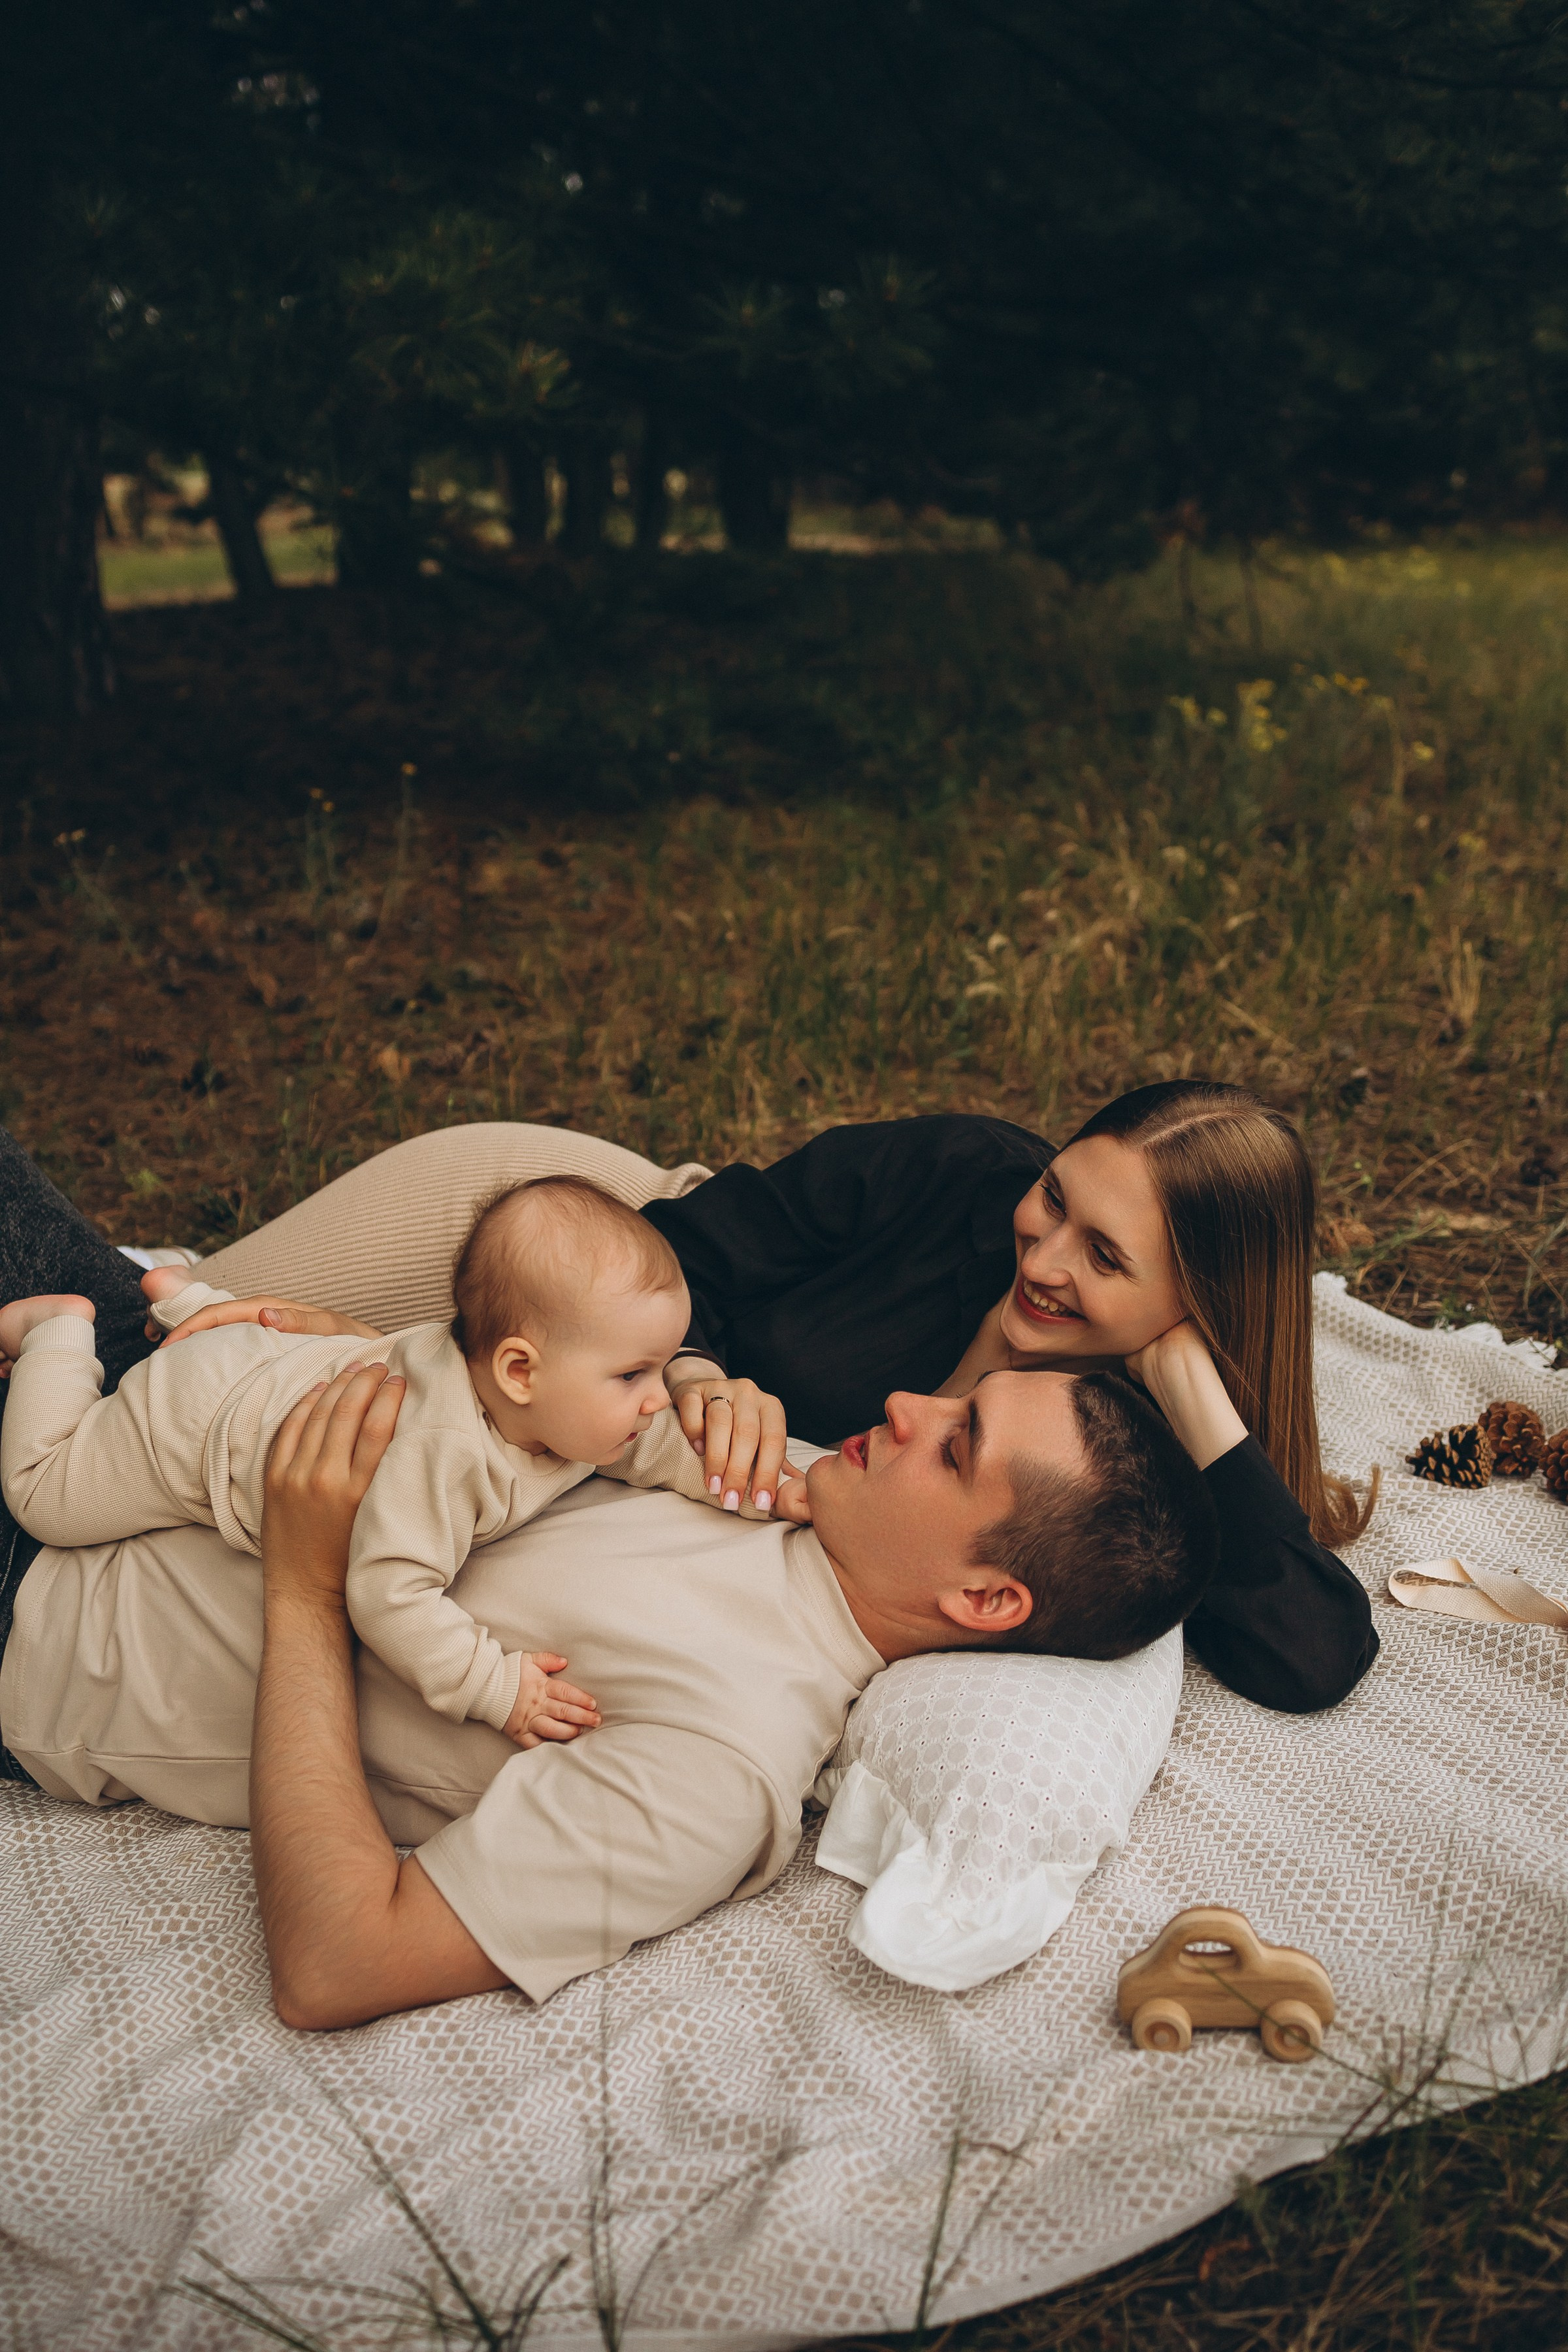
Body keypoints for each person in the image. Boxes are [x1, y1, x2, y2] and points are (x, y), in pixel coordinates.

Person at [0, 1077, 1379, 1711]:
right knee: (162, 1332)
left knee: (130, 1346)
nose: (1045, 1252)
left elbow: (1310, 1653)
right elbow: (695, 1246)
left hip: (551, 1384)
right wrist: (697, 1373)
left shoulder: (1121, 1450)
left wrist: (1199, 1393)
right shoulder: (958, 1174)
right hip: (575, 1259)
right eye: (1057, 1195)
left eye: (1107, 1258)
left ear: (1199, 1303)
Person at [0, 1354, 1217, 2025]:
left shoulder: (717, 1767)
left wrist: (307, 1587)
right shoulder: (776, 1472)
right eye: (954, 1399)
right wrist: (676, 1371)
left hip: (44, 1605)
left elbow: (340, 1963)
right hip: (149, 1421)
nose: (904, 1403)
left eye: (955, 1446)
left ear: (986, 1600)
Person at [1, 1175, 745, 1744]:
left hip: (280, 1361)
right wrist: (494, 1687)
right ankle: (56, 1331)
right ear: (520, 1371)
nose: (660, 1396)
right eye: (634, 1375)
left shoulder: (556, 1408)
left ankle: (191, 1301)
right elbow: (390, 1595)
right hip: (196, 1420)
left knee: (279, 1359)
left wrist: (741, 1483)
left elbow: (651, 1447)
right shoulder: (443, 1458)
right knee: (45, 1497)